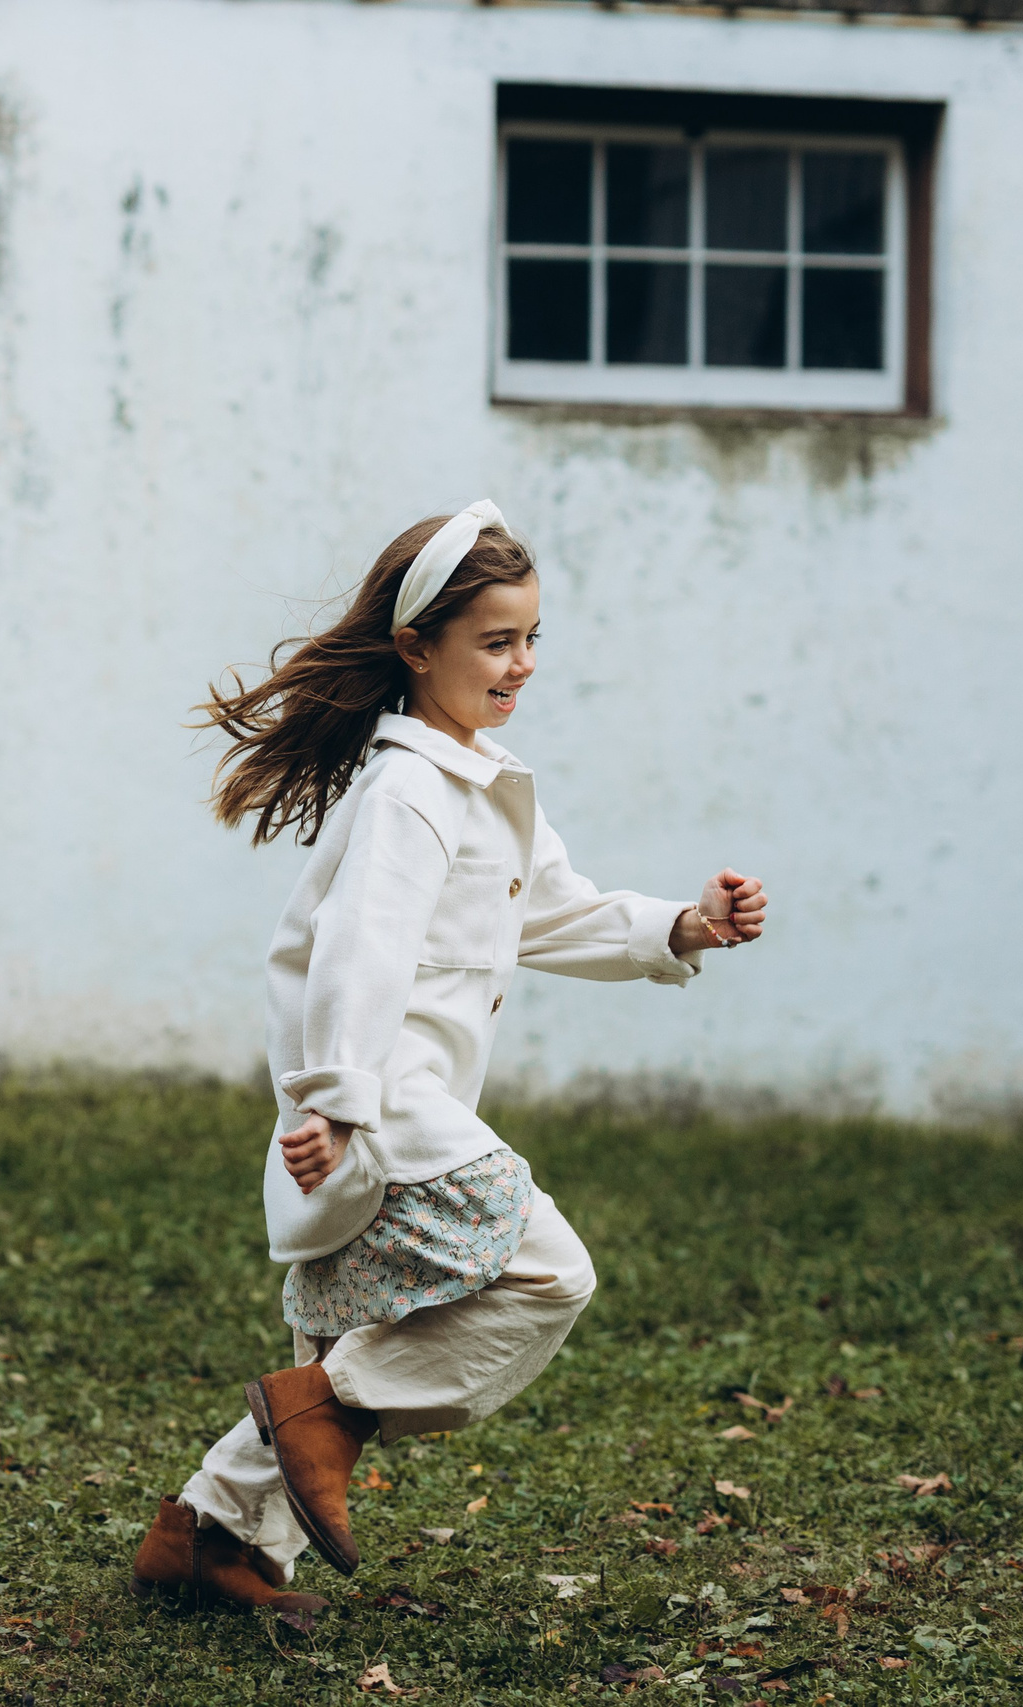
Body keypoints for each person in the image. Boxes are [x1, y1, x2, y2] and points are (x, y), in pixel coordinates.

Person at [126, 501, 768, 1616]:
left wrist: (678, 926)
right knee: (547, 1273)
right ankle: (320, 1416)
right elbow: (356, 951)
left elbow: (550, 913)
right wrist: (336, 1099)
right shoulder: (413, 789)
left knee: (341, 1336)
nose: (520, 665)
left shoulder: (475, 775)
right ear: (415, 649)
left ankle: (206, 1538)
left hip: (388, 1098)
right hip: (390, 1102)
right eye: (493, 642)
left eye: (530, 639)